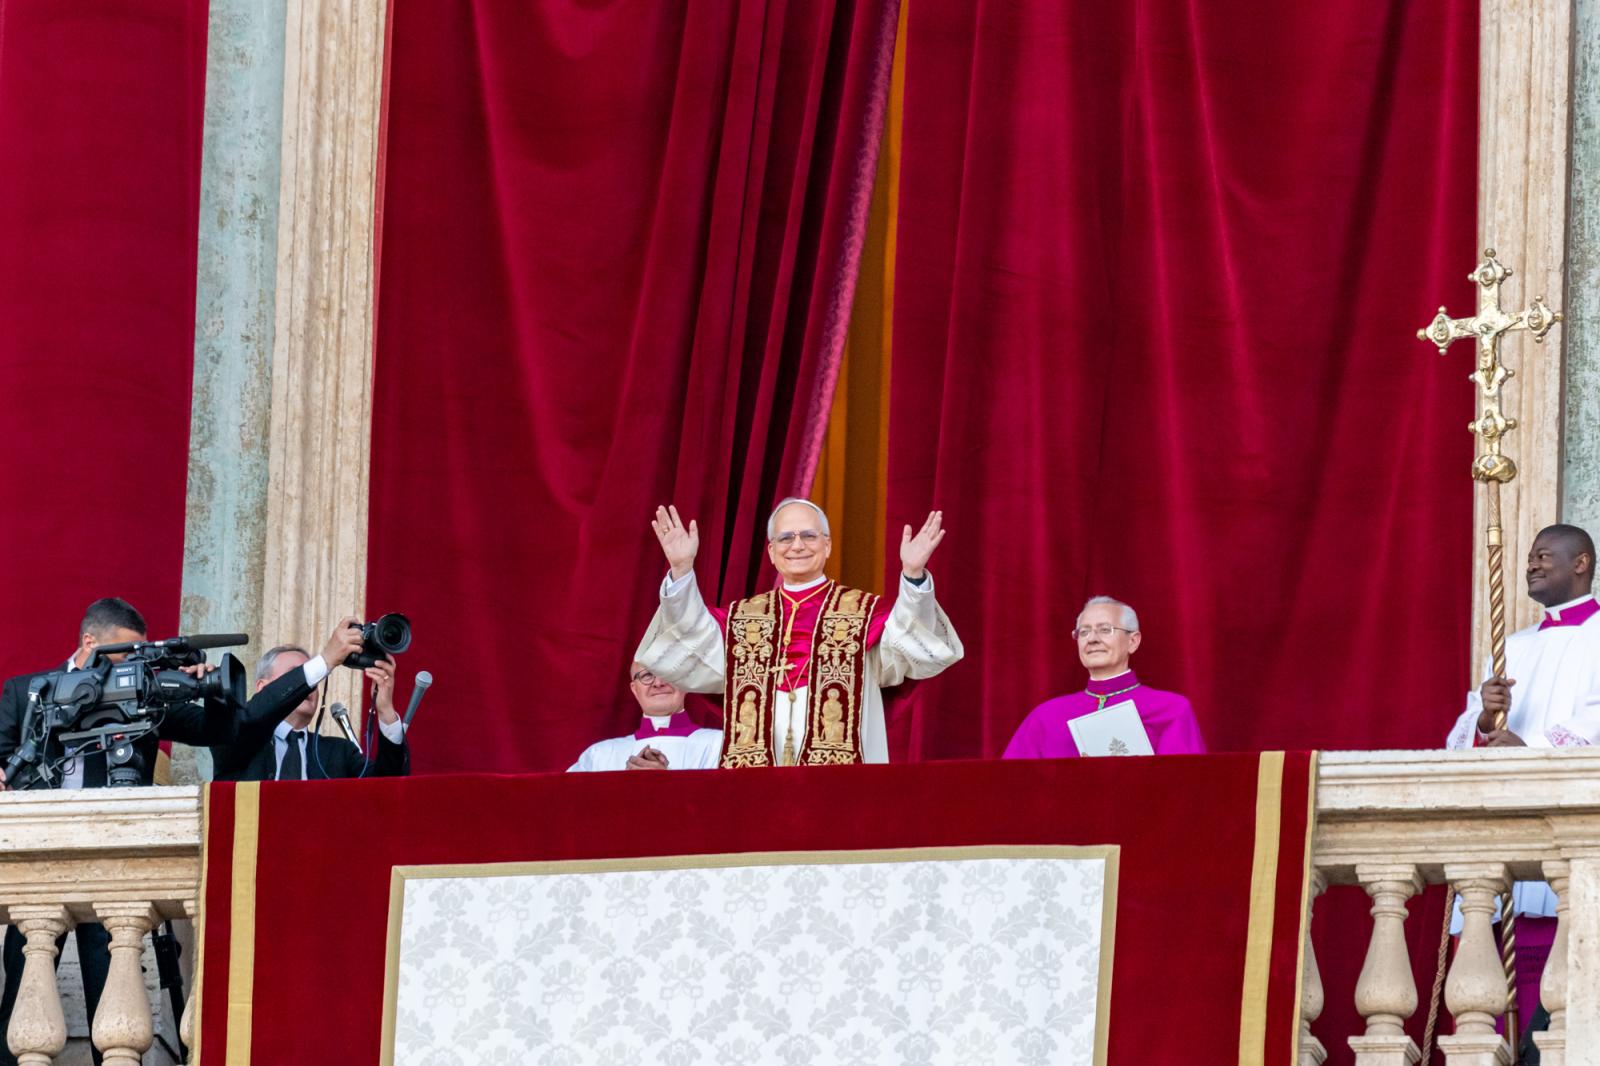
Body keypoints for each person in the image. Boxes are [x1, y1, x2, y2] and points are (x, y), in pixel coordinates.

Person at [0, 598, 237, 1066]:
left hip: (112, 860)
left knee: (106, 985)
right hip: (38, 856)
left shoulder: (141, 694)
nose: (133, 663)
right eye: (125, 652)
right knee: (20, 986)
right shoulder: (27, 690)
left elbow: (216, 730)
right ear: (89, 642)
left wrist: (207, 689)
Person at [637, 499, 962, 766]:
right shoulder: (741, 620)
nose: (797, 545)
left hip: (840, 781)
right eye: (785, 538)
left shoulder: (864, 614)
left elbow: (913, 645)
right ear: (770, 551)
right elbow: (689, 638)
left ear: (827, 545)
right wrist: (681, 570)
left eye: (809, 535)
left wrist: (914, 575)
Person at [1444, 523, 1599, 1029]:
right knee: (1488, 1021)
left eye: (1544, 555)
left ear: (1581, 563)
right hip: (1504, 838)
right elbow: (1460, 741)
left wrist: (1529, 750)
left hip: (1570, 839)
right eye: (1530, 556)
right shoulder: (1509, 647)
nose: (1531, 564)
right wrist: (1485, 720)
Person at [1003, 595, 1206, 758]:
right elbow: (1010, 784)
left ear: (1133, 641)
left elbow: (1186, 786)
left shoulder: (1171, 710)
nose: (1092, 639)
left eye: (1105, 630)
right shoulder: (1045, 717)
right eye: (1084, 632)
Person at [210, 616, 409, 781]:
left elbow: (388, 788)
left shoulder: (340, 752)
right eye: (295, 675)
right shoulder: (237, 736)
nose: (308, 687)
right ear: (263, 687)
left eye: (313, 679)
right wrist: (326, 660)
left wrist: (386, 711)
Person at [568, 663, 722, 771]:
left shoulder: (721, 745)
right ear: (634, 689)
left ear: (684, 683)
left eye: (668, 673)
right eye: (647, 675)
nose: (658, 683)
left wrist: (668, 783)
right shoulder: (599, 755)